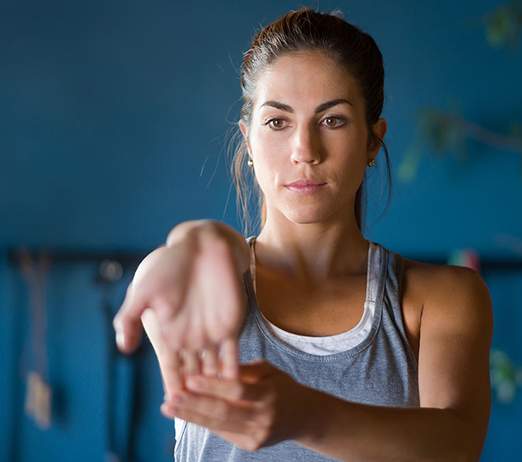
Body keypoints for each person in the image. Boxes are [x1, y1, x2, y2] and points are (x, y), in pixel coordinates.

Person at [112, 6, 493, 461]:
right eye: (277, 122)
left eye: (332, 120)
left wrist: (306, 416)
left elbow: (457, 445)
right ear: (248, 141)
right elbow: (207, 257)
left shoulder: (439, 299)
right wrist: (197, 238)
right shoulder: (196, 281)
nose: (305, 151)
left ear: (373, 140)